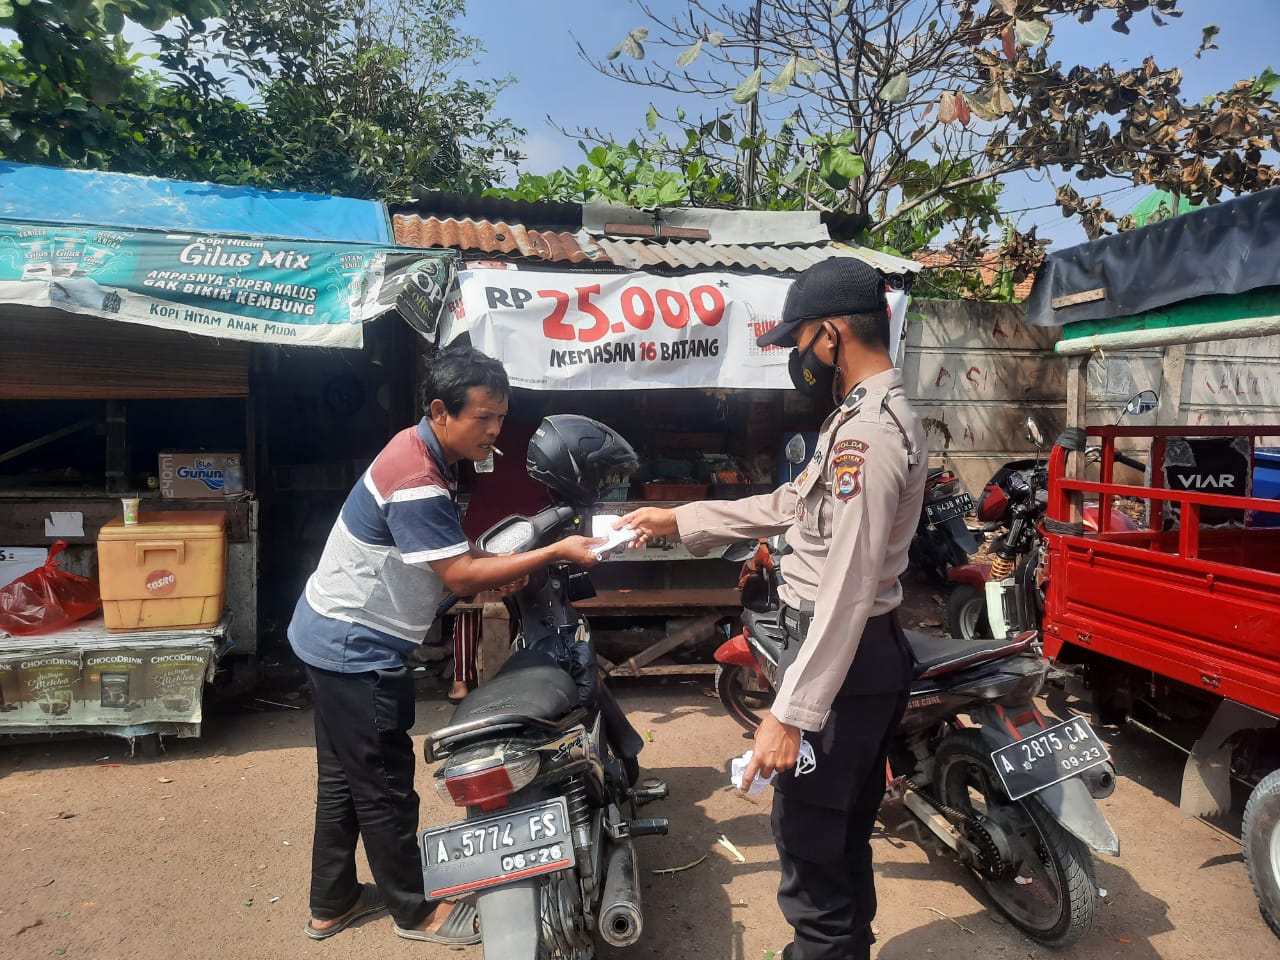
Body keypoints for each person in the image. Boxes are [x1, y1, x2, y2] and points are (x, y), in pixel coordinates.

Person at [620, 257, 926, 960]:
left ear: (829, 337)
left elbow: (848, 586)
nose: (796, 358)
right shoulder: (860, 417)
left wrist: (791, 714)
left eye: (797, 342)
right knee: (840, 838)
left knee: (812, 845)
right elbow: (792, 506)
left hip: (839, 662)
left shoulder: (868, 434)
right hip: (854, 657)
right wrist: (683, 519)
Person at [288, 345, 604, 944]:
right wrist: (556, 551)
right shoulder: (415, 474)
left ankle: (331, 902)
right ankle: (417, 911)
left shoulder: (429, 455)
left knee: (343, 779)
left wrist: (501, 564)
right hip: (358, 650)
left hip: (326, 633)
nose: (494, 431)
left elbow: (453, 558)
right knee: (382, 784)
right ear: (440, 411)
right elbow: (458, 577)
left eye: (501, 418)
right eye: (482, 418)